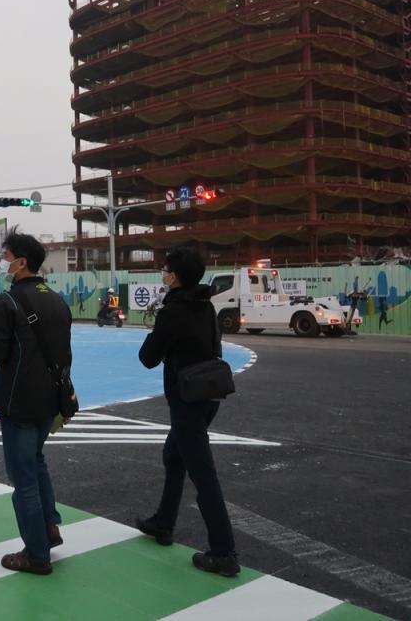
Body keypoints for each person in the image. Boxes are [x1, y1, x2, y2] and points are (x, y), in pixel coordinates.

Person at [136, 246, 239, 577]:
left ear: (175, 276)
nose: (162, 273)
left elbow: (148, 357)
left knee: (202, 473)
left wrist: (157, 333)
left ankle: (223, 553)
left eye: (165, 269)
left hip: (185, 399)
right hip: (208, 393)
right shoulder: (206, 305)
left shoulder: (173, 311)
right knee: (174, 456)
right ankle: (163, 522)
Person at [0, 229, 71, 575]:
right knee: (37, 463)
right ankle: (49, 527)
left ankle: (36, 554)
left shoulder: (8, 301)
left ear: (20, 262)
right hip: (50, 399)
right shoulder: (57, 298)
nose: (2, 263)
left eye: (4, 256)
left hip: (18, 402)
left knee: (24, 478)